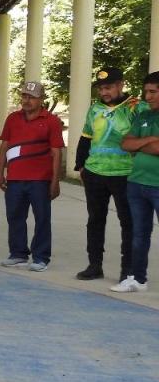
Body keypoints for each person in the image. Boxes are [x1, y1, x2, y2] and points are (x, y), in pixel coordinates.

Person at [73, 67, 142, 282]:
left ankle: (127, 269)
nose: (104, 92)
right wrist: (81, 166)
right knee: (95, 220)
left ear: (121, 85)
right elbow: (86, 138)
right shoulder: (95, 109)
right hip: (95, 173)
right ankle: (95, 265)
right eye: (101, 88)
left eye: (109, 87)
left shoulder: (135, 107)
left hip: (125, 174)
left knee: (128, 222)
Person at [0, 82, 64, 271]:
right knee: (14, 216)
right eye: (24, 96)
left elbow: (56, 152)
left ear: (41, 99)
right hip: (15, 178)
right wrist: (0, 173)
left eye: (32, 97)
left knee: (42, 218)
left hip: (40, 180)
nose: (26, 100)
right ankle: (18, 254)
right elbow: (4, 146)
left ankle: (41, 257)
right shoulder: (13, 118)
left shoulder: (51, 121)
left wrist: (55, 181)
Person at [114, 71, 159, 293]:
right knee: (139, 234)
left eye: (153, 92)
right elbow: (126, 143)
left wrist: (140, 144)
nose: (147, 97)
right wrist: (149, 139)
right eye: (146, 92)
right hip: (136, 183)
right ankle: (137, 279)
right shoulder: (143, 115)